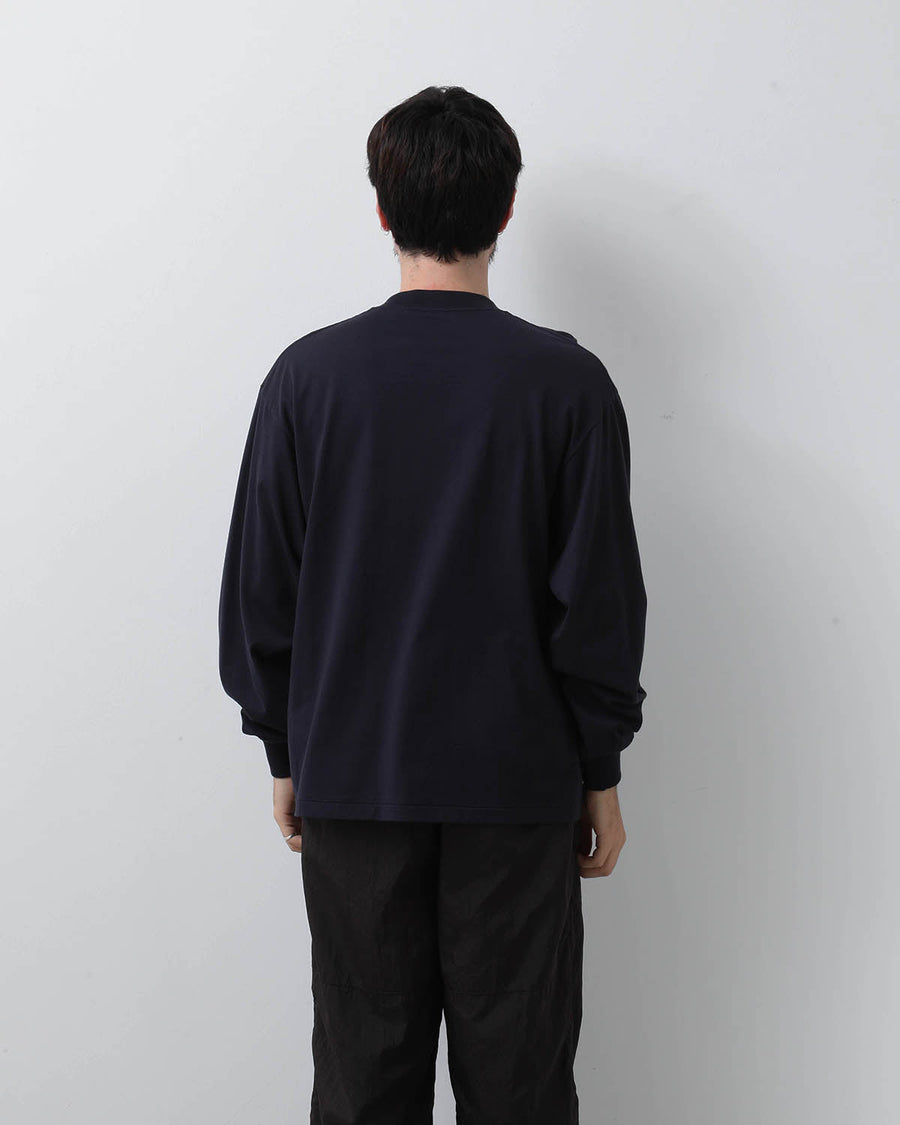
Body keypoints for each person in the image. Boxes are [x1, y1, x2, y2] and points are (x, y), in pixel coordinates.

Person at [218, 84, 648, 1125]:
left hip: (355, 777)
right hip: (519, 786)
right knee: (521, 1087)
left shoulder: (307, 380)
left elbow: (261, 590)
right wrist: (599, 771)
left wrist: (284, 748)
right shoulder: (568, 385)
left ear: (382, 209)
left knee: (364, 1085)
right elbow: (597, 604)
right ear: (506, 211)